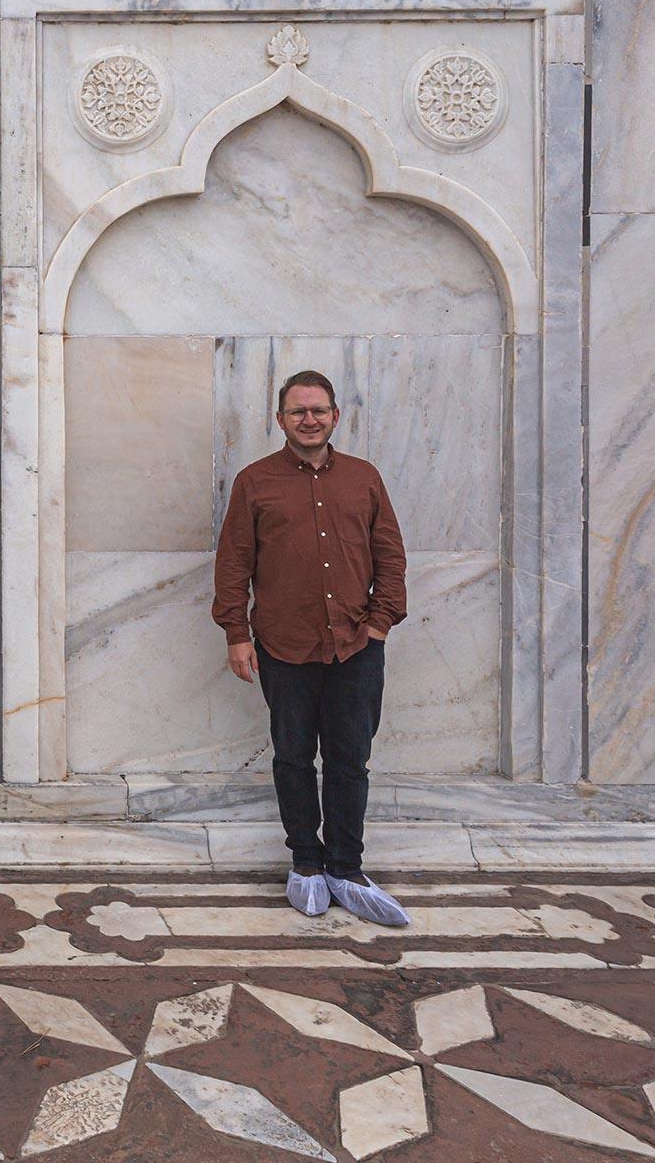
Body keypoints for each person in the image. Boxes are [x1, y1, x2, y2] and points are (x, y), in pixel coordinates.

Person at [212, 370, 411, 926]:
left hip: (356, 646)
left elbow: (391, 559)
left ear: (335, 416)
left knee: (350, 760)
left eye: (319, 410)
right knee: (294, 757)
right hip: (283, 645)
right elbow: (234, 565)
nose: (309, 419)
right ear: (280, 420)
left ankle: (346, 867)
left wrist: (378, 625)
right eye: (298, 411)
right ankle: (305, 863)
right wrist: (236, 634)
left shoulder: (364, 479)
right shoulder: (255, 482)